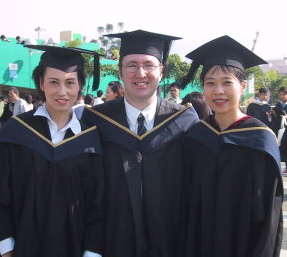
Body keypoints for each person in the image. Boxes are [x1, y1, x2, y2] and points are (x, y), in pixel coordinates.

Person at [0, 45, 104, 257]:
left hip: (74, 247)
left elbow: (97, 204)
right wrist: (7, 248)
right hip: (22, 247)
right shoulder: (15, 134)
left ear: (80, 86)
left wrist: (91, 252)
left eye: (70, 82)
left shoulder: (91, 140)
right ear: (41, 83)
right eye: (53, 82)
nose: (62, 91)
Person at [82, 29, 199, 256]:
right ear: (121, 71)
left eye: (149, 65)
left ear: (161, 71)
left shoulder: (185, 121)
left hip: (170, 241)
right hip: (112, 240)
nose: (140, 73)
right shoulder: (95, 120)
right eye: (132, 65)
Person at [180, 35, 283, 256]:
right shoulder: (196, 137)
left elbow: (269, 214)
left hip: (244, 245)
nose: (218, 91)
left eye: (227, 82)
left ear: (243, 86)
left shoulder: (260, 140)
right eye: (210, 83)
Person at [271, 86, 287, 175]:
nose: (281, 96)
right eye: (280, 95)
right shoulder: (278, 104)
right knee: (282, 147)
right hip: (280, 129)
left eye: (283, 95)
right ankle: (286, 166)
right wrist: (272, 114)